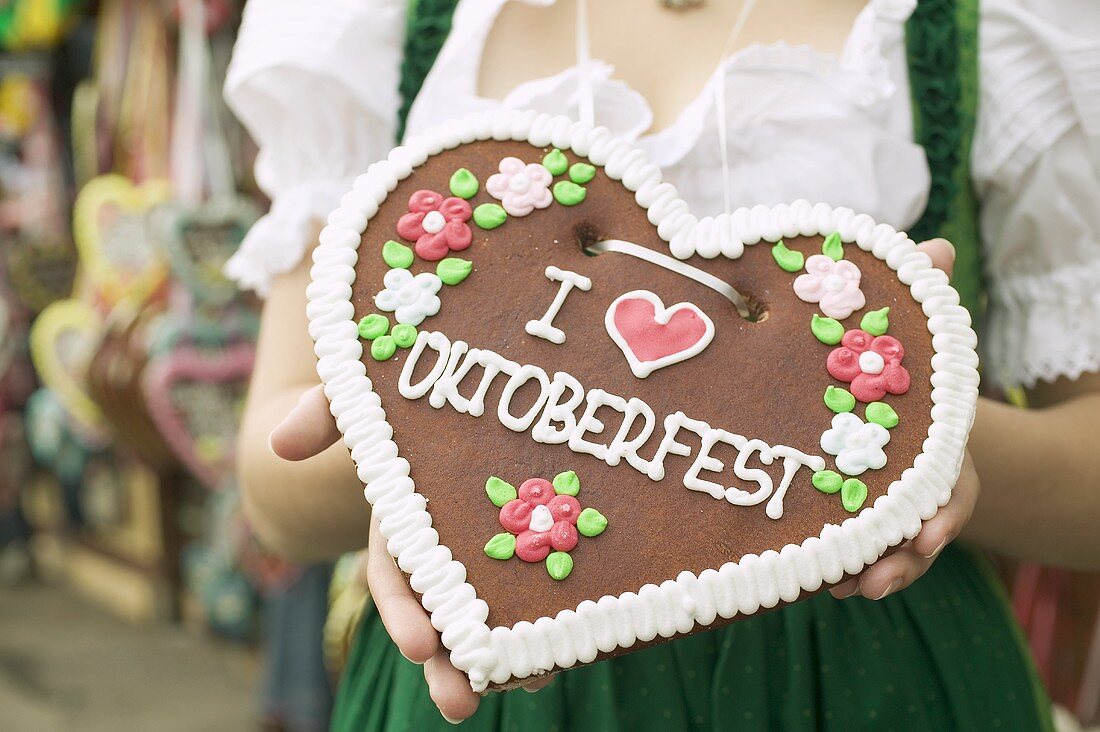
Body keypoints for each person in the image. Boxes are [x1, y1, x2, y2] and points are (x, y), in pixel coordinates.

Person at [226, 0, 1100, 727]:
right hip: (493, 631)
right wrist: (434, 458)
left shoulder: (999, 23)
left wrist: (910, 438)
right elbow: (275, 495)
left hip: (871, 676)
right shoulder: (364, 22)